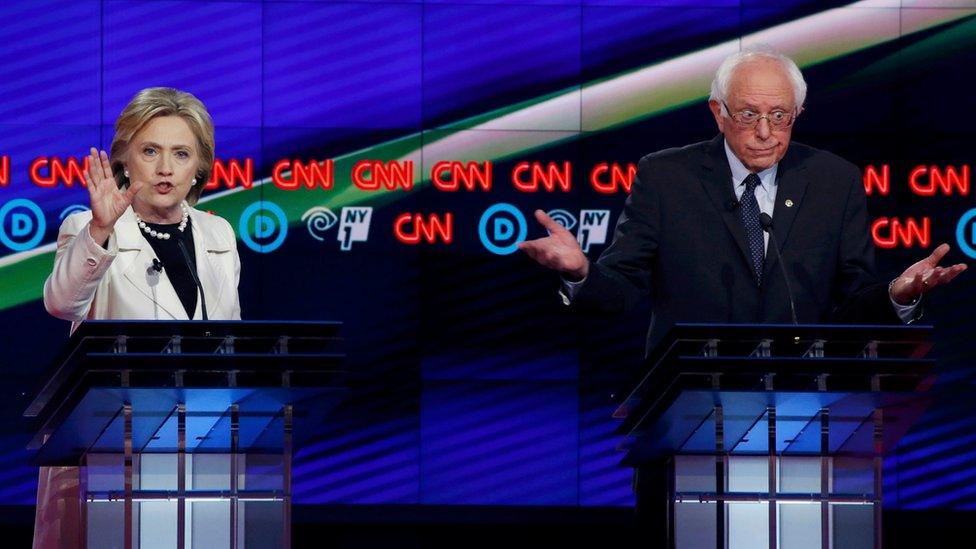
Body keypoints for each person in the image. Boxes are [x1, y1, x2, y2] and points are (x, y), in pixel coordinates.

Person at [519, 46, 966, 355]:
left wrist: (898, 295)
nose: (766, 132)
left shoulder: (835, 181)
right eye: (749, 115)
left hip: (801, 404)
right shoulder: (666, 177)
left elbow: (851, 305)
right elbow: (619, 291)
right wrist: (582, 273)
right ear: (719, 112)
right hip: (686, 399)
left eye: (780, 116)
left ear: (798, 115)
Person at [35, 87, 241, 548]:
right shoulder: (89, 229)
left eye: (181, 153)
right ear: (126, 160)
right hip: (110, 453)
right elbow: (61, 303)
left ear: (199, 168)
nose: (165, 168)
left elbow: (232, 347)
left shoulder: (219, 234)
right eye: (150, 151)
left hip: (200, 452)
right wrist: (101, 229)